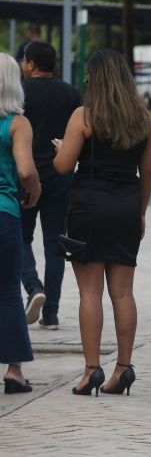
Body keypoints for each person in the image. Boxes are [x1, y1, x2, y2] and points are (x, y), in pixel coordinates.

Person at [53, 50, 151, 397]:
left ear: (95, 78)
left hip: (89, 207)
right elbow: (149, 173)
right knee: (124, 292)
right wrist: (139, 212)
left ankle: (91, 370)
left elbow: (64, 166)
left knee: (90, 292)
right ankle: (124, 368)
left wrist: (60, 149)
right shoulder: (144, 120)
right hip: (126, 206)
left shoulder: (84, 116)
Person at [18, 41, 81, 330]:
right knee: (56, 242)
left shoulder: (19, 93)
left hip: (25, 176)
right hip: (60, 176)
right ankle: (52, 313)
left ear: (30, 63)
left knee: (20, 237)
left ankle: (33, 287)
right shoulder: (70, 94)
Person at [0, 52, 41, 394]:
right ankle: (14, 370)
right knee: (9, 292)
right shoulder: (17, 123)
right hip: (4, 213)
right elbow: (25, 170)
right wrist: (35, 190)